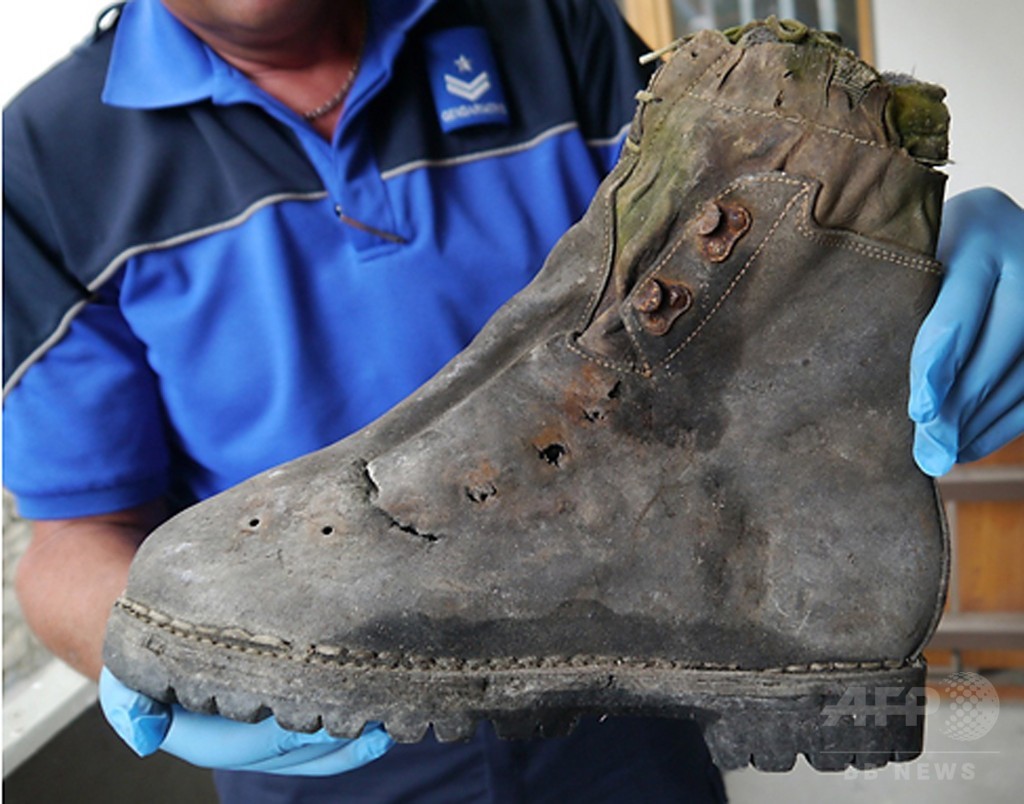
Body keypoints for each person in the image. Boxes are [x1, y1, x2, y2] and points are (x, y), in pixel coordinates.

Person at [2, 0, 1021, 801]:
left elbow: (732, 286)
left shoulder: (544, 24)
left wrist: (890, 254)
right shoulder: (44, 158)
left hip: (619, 677)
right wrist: (139, 642)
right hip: (315, 722)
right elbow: (70, 528)